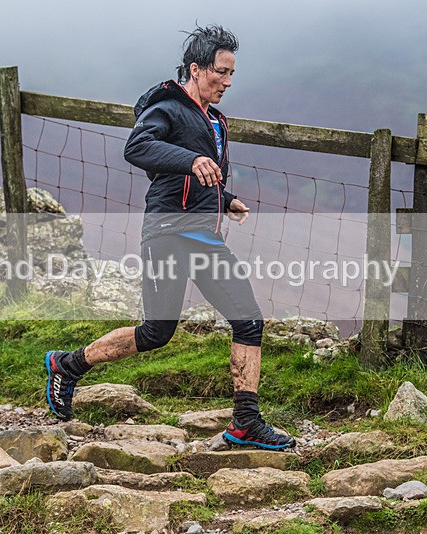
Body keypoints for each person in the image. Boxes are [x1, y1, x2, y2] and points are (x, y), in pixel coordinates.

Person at [45, 24, 296, 450]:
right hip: (166, 231)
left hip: (202, 234)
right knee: (157, 332)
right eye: (221, 72)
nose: (228, 82)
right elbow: (138, 147)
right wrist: (193, 158)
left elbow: (195, 177)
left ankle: (246, 422)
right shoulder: (167, 106)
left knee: (248, 319)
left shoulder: (212, 119)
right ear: (196, 69)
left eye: (233, 74)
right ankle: (67, 365)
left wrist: (226, 198)